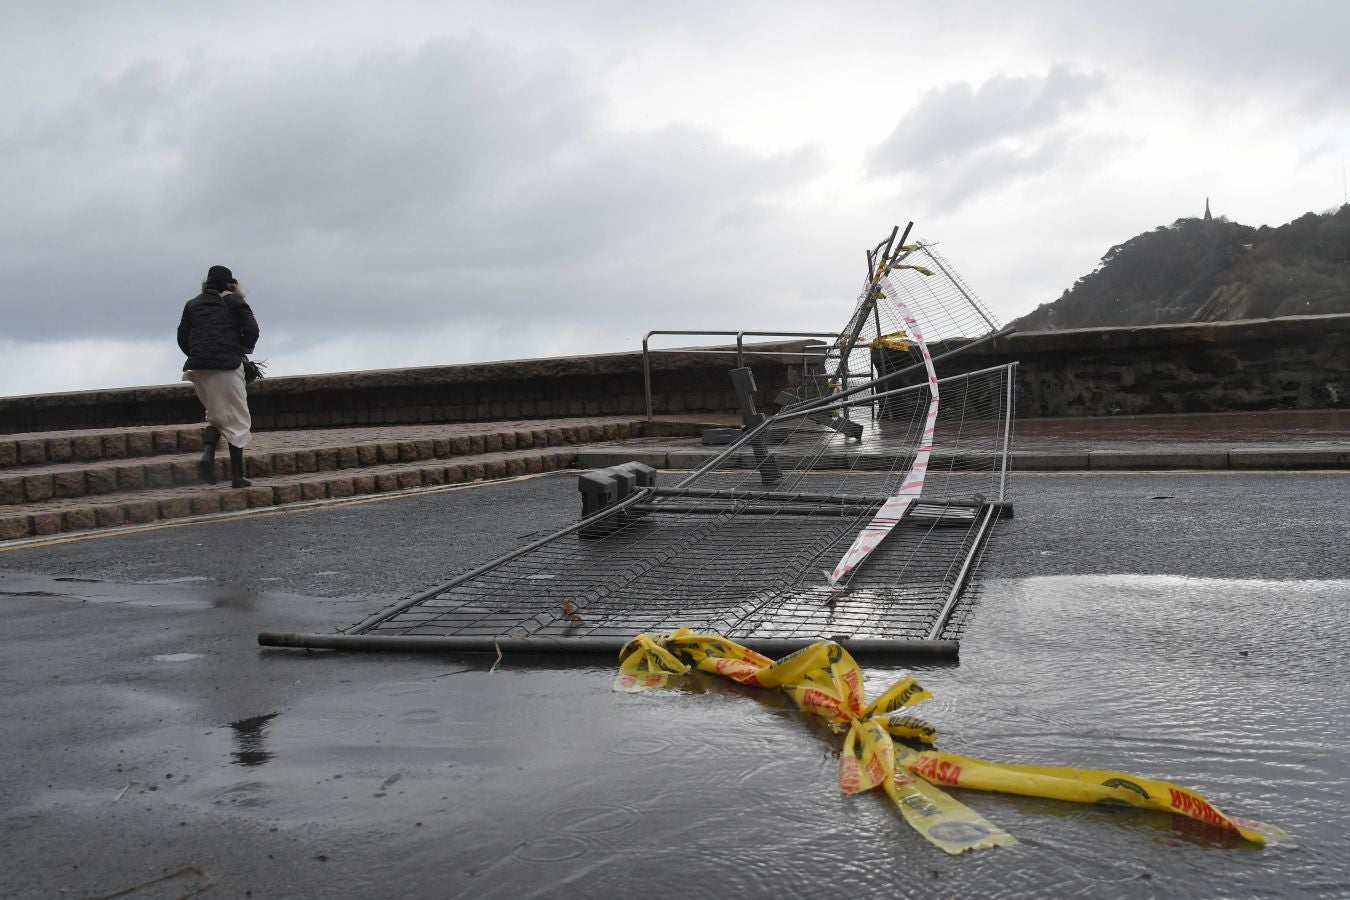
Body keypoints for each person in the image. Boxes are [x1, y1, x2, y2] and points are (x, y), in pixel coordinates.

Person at [177, 265, 260, 488]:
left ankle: (207, 454)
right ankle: (236, 477)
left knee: (216, 416)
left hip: (198, 369)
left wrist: (199, 354)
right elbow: (253, 330)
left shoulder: (192, 304)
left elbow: (182, 338)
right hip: (227, 366)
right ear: (229, 283)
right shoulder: (234, 301)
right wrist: (242, 348)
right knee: (238, 420)